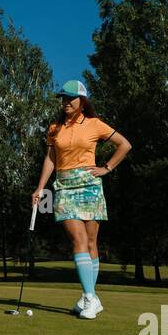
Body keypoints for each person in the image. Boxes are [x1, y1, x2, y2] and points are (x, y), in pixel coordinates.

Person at [31, 80, 131, 319]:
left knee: (91, 242)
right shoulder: (55, 127)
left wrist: (106, 167)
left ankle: (90, 297)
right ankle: (90, 298)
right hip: (64, 186)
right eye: (63, 98)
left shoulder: (95, 124)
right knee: (77, 239)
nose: (65, 102)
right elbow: (51, 159)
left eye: (70, 98)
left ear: (82, 101)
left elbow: (124, 145)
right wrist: (40, 187)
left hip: (90, 185)